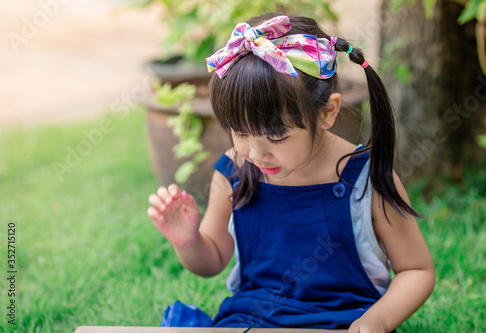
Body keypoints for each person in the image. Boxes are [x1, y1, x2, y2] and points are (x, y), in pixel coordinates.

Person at [147, 13, 435, 332]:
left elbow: (417, 270)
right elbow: (211, 260)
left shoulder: (366, 180)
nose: (256, 153)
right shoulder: (235, 172)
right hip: (253, 321)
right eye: (240, 133)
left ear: (327, 113)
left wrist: (375, 322)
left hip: (344, 323)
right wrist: (188, 241)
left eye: (276, 137)